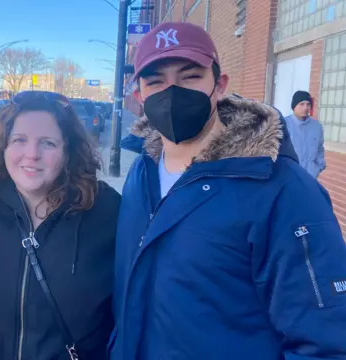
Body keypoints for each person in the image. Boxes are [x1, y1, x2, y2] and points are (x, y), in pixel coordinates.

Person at [110, 22, 346, 360]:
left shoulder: (282, 190)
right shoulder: (140, 173)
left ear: (219, 85)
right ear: (140, 96)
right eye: (156, 81)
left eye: (190, 76)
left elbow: (327, 341)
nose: (171, 92)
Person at [0, 90, 121, 360]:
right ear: (3, 146)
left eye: (48, 143)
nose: (32, 154)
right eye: (19, 140)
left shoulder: (105, 211)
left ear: (68, 150)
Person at [284, 90, 326, 178]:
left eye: (308, 104)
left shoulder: (316, 126)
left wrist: (318, 166)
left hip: (310, 177)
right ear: (294, 106)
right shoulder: (284, 125)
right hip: (289, 176)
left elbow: (320, 148)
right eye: (302, 104)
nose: (305, 107)